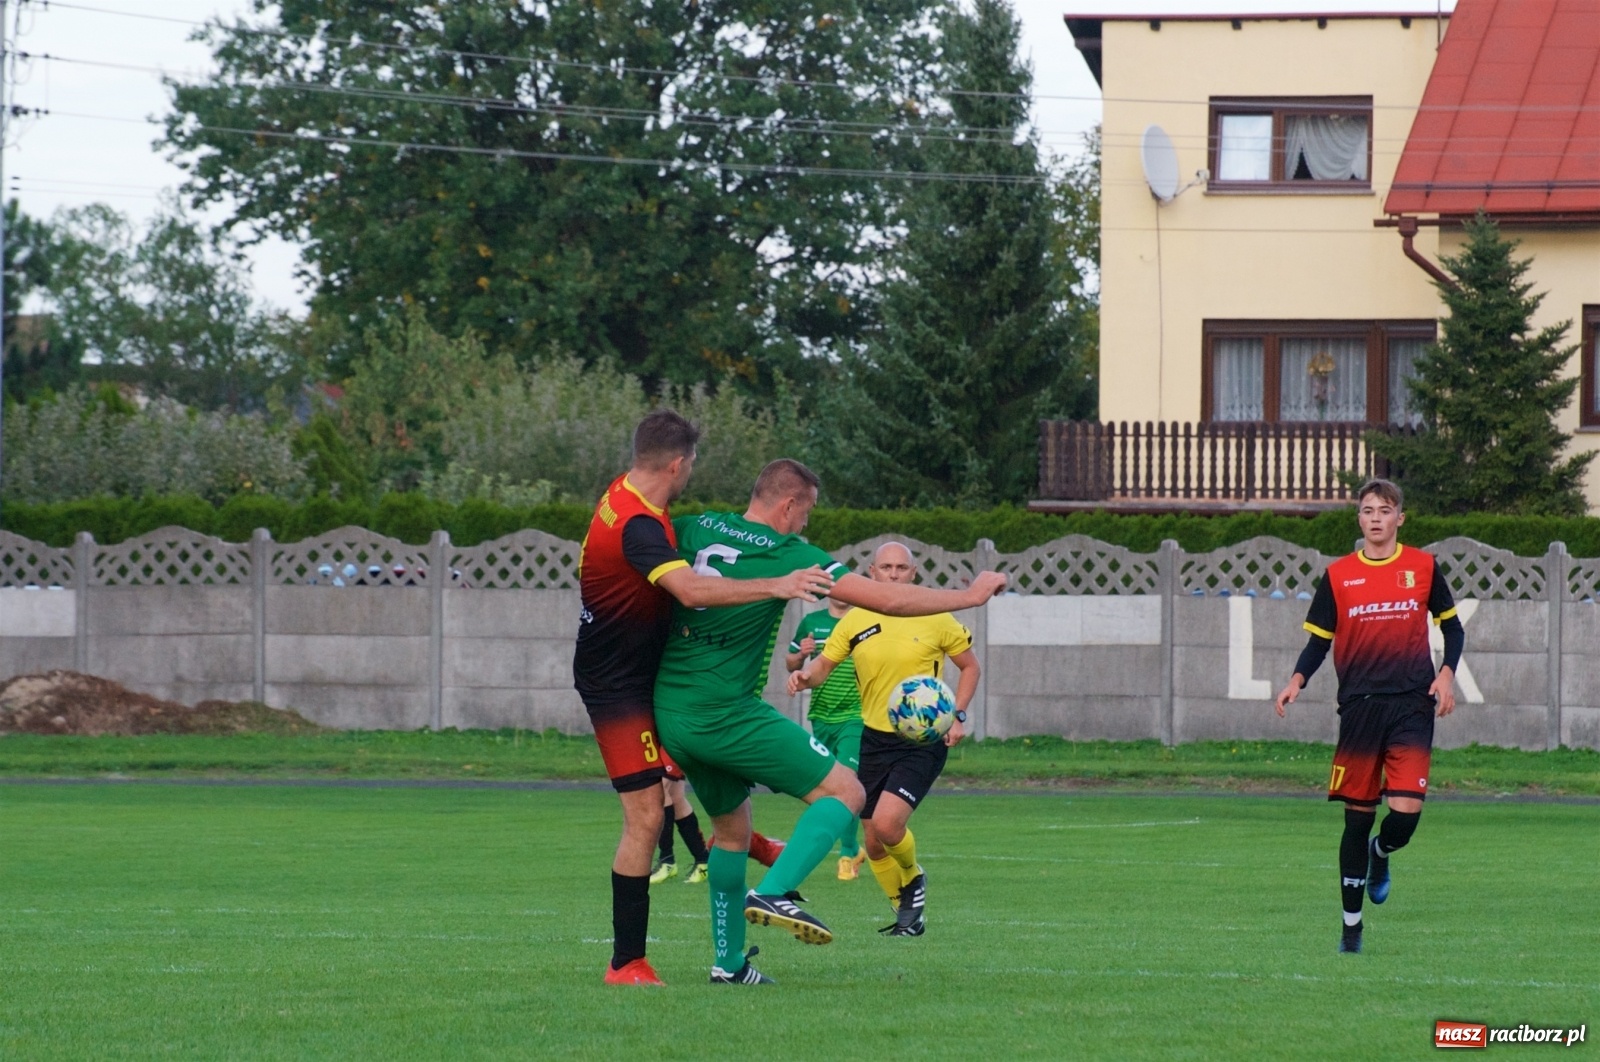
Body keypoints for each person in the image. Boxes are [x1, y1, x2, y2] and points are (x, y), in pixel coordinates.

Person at [652, 460, 1007, 985]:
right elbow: (888, 600)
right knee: (846, 792)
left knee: (731, 833)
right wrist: (971, 596)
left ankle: (728, 966)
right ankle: (774, 892)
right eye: (807, 512)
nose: (806, 525)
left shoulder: (694, 526)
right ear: (788, 505)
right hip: (724, 711)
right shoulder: (792, 554)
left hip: (670, 710)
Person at [574, 413, 835, 987]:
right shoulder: (640, 526)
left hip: (649, 676)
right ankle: (626, 964)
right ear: (678, 464)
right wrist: (778, 584)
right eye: (691, 463)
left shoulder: (625, 495)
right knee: (645, 818)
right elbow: (690, 590)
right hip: (619, 688)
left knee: (705, 802)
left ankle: (737, 923)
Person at [1274, 478, 1463, 956]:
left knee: (1404, 816)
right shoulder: (1338, 576)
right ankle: (1351, 931)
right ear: (1358, 519)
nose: (1375, 517)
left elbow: (1452, 628)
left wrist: (1445, 675)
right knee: (1356, 822)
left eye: (1385, 509)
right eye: (1367, 510)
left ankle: (1383, 854)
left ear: (1400, 518)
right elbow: (1318, 641)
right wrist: (1297, 680)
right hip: (1358, 709)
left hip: (1411, 706)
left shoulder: (1422, 567)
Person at [788, 541, 979, 936]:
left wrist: (956, 715)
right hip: (873, 739)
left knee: (890, 827)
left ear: (913, 574)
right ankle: (907, 916)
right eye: (886, 568)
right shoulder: (854, 621)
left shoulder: (936, 616)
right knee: (873, 843)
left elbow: (970, 667)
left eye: (901, 568)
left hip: (922, 741)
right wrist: (806, 676)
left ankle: (913, 879)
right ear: (871, 573)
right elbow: (823, 666)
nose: (893, 574)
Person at [785, 597, 867, 881]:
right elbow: (790, 661)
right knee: (831, 787)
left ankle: (846, 853)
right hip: (821, 715)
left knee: (848, 778)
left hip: (856, 715)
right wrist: (801, 656)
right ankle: (855, 847)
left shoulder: (864, 620)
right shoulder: (812, 622)